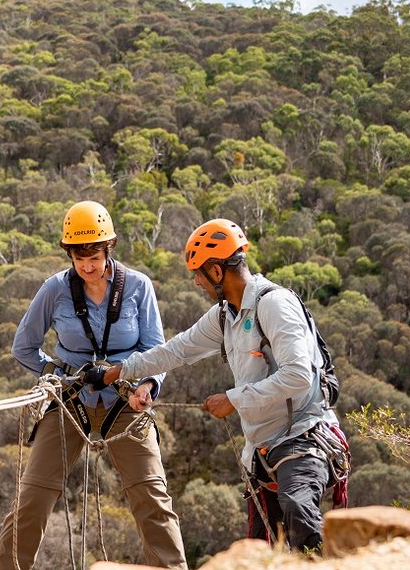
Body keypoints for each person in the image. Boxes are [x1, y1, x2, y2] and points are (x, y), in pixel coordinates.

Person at [99, 217, 340, 551]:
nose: (197, 283)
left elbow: (299, 374)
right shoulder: (226, 315)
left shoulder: (274, 304)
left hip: (302, 437)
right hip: (262, 452)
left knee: (299, 513)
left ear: (216, 271)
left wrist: (234, 399)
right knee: (259, 553)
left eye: (198, 273)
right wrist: (119, 371)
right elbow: (178, 350)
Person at [0, 201, 188, 570]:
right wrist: (56, 374)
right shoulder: (56, 290)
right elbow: (23, 347)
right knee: (31, 502)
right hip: (69, 400)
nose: (87, 266)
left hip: (125, 401)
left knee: (151, 497)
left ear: (108, 248)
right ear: (69, 254)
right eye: (79, 257)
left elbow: (155, 350)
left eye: (94, 256)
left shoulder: (138, 287)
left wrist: (147, 386)